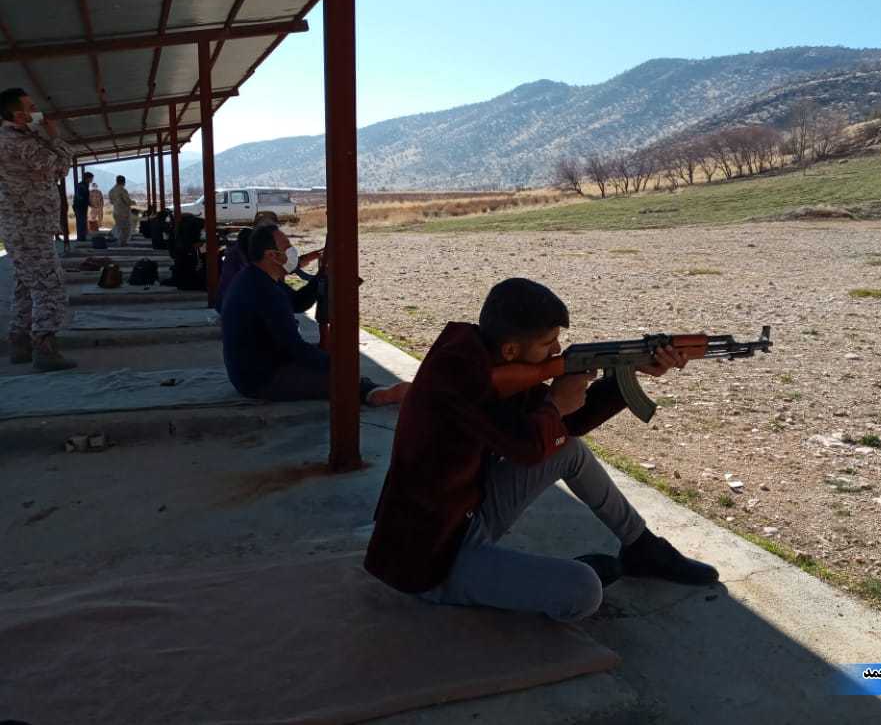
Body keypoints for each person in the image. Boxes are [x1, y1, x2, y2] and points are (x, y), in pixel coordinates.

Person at [364, 278, 719, 622]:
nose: (556, 351)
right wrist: (555, 405)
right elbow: (526, 449)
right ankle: (541, 581)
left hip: (467, 511)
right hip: (429, 557)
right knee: (583, 590)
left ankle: (642, 547)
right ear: (511, 350)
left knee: (568, 450)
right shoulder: (458, 377)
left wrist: (627, 372)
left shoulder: (487, 360)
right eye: (548, 342)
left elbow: (567, 426)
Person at [221, 222, 409, 406]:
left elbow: (297, 303)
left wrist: (321, 276)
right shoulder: (263, 290)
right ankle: (375, 394)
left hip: (256, 367)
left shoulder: (258, 277)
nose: (292, 251)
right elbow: (294, 348)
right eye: (287, 247)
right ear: (272, 255)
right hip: (261, 379)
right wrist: (337, 364)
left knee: (327, 364)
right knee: (342, 379)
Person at [0, 87, 77, 371]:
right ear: (18, 114)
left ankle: (19, 342)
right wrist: (54, 136)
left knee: (26, 285)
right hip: (30, 226)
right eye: (31, 107)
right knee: (49, 285)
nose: (37, 112)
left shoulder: (19, 138)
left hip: (22, 225)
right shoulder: (19, 143)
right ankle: (44, 348)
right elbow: (61, 166)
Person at [108, 175, 135, 245]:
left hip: (116, 211)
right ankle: (122, 242)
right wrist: (133, 202)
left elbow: (111, 201)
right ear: (123, 182)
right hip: (124, 213)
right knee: (126, 229)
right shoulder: (122, 190)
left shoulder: (111, 190)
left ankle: (118, 240)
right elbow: (127, 201)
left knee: (119, 227)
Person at [72, 171, 92, 242]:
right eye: (91, 178)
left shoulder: (85, 185)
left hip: (81, 206)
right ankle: (81, 238)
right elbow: (80, 197)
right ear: (87, 178)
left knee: (82, 222)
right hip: (79, 207)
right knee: (81, 222)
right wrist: (88, 203)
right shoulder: (82, 186)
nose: (91, 180)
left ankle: (82, 237)